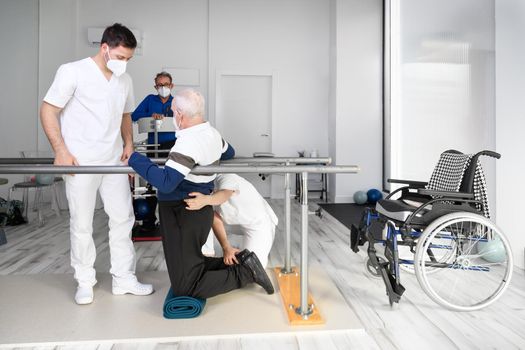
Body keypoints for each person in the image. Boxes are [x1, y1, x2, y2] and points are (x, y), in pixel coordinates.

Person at [40, 23, 153, 305]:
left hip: (113, 161)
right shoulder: (73, 71)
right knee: (82, 223)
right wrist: (60, 150)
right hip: (80, 162)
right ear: (105, 48)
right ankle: (85, 281)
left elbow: (126, 115)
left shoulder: (124, 81)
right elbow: (48, 109)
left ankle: (123, 279)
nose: (124, 64)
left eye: (128, 59)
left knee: (123, 218)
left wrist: (128, 143)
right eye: (121, 57)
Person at [127, 88, 274, 299]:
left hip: (183, 211)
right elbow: (229, 152)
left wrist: (134, 158)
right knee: (190, 266)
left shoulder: (189, 142)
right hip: (195, 211)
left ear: (179, 114)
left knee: (186, 287)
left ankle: (246, 271)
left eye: (173, 112)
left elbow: (167, 182)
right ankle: (242, 263)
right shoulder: (212, 134)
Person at [184, 174, 278, 268]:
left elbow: (224, 194)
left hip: (257, 223)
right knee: (202, 216)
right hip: (230, 221)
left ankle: (237, 248)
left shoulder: (226, 177)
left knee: (253, 269)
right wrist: (226, 248)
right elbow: (212, 217)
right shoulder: (198, 187)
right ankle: (206, 258)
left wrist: (206, 200)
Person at [132, 71, 176, 157]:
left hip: (172, 145)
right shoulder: (150, 99)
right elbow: (134, 116)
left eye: (166, 84)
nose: (163, 87)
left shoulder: (177, 101)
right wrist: (151, 115)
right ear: (156, 87)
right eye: (160, 85)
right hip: (152, 144)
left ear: (171, 86)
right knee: (153, 169)